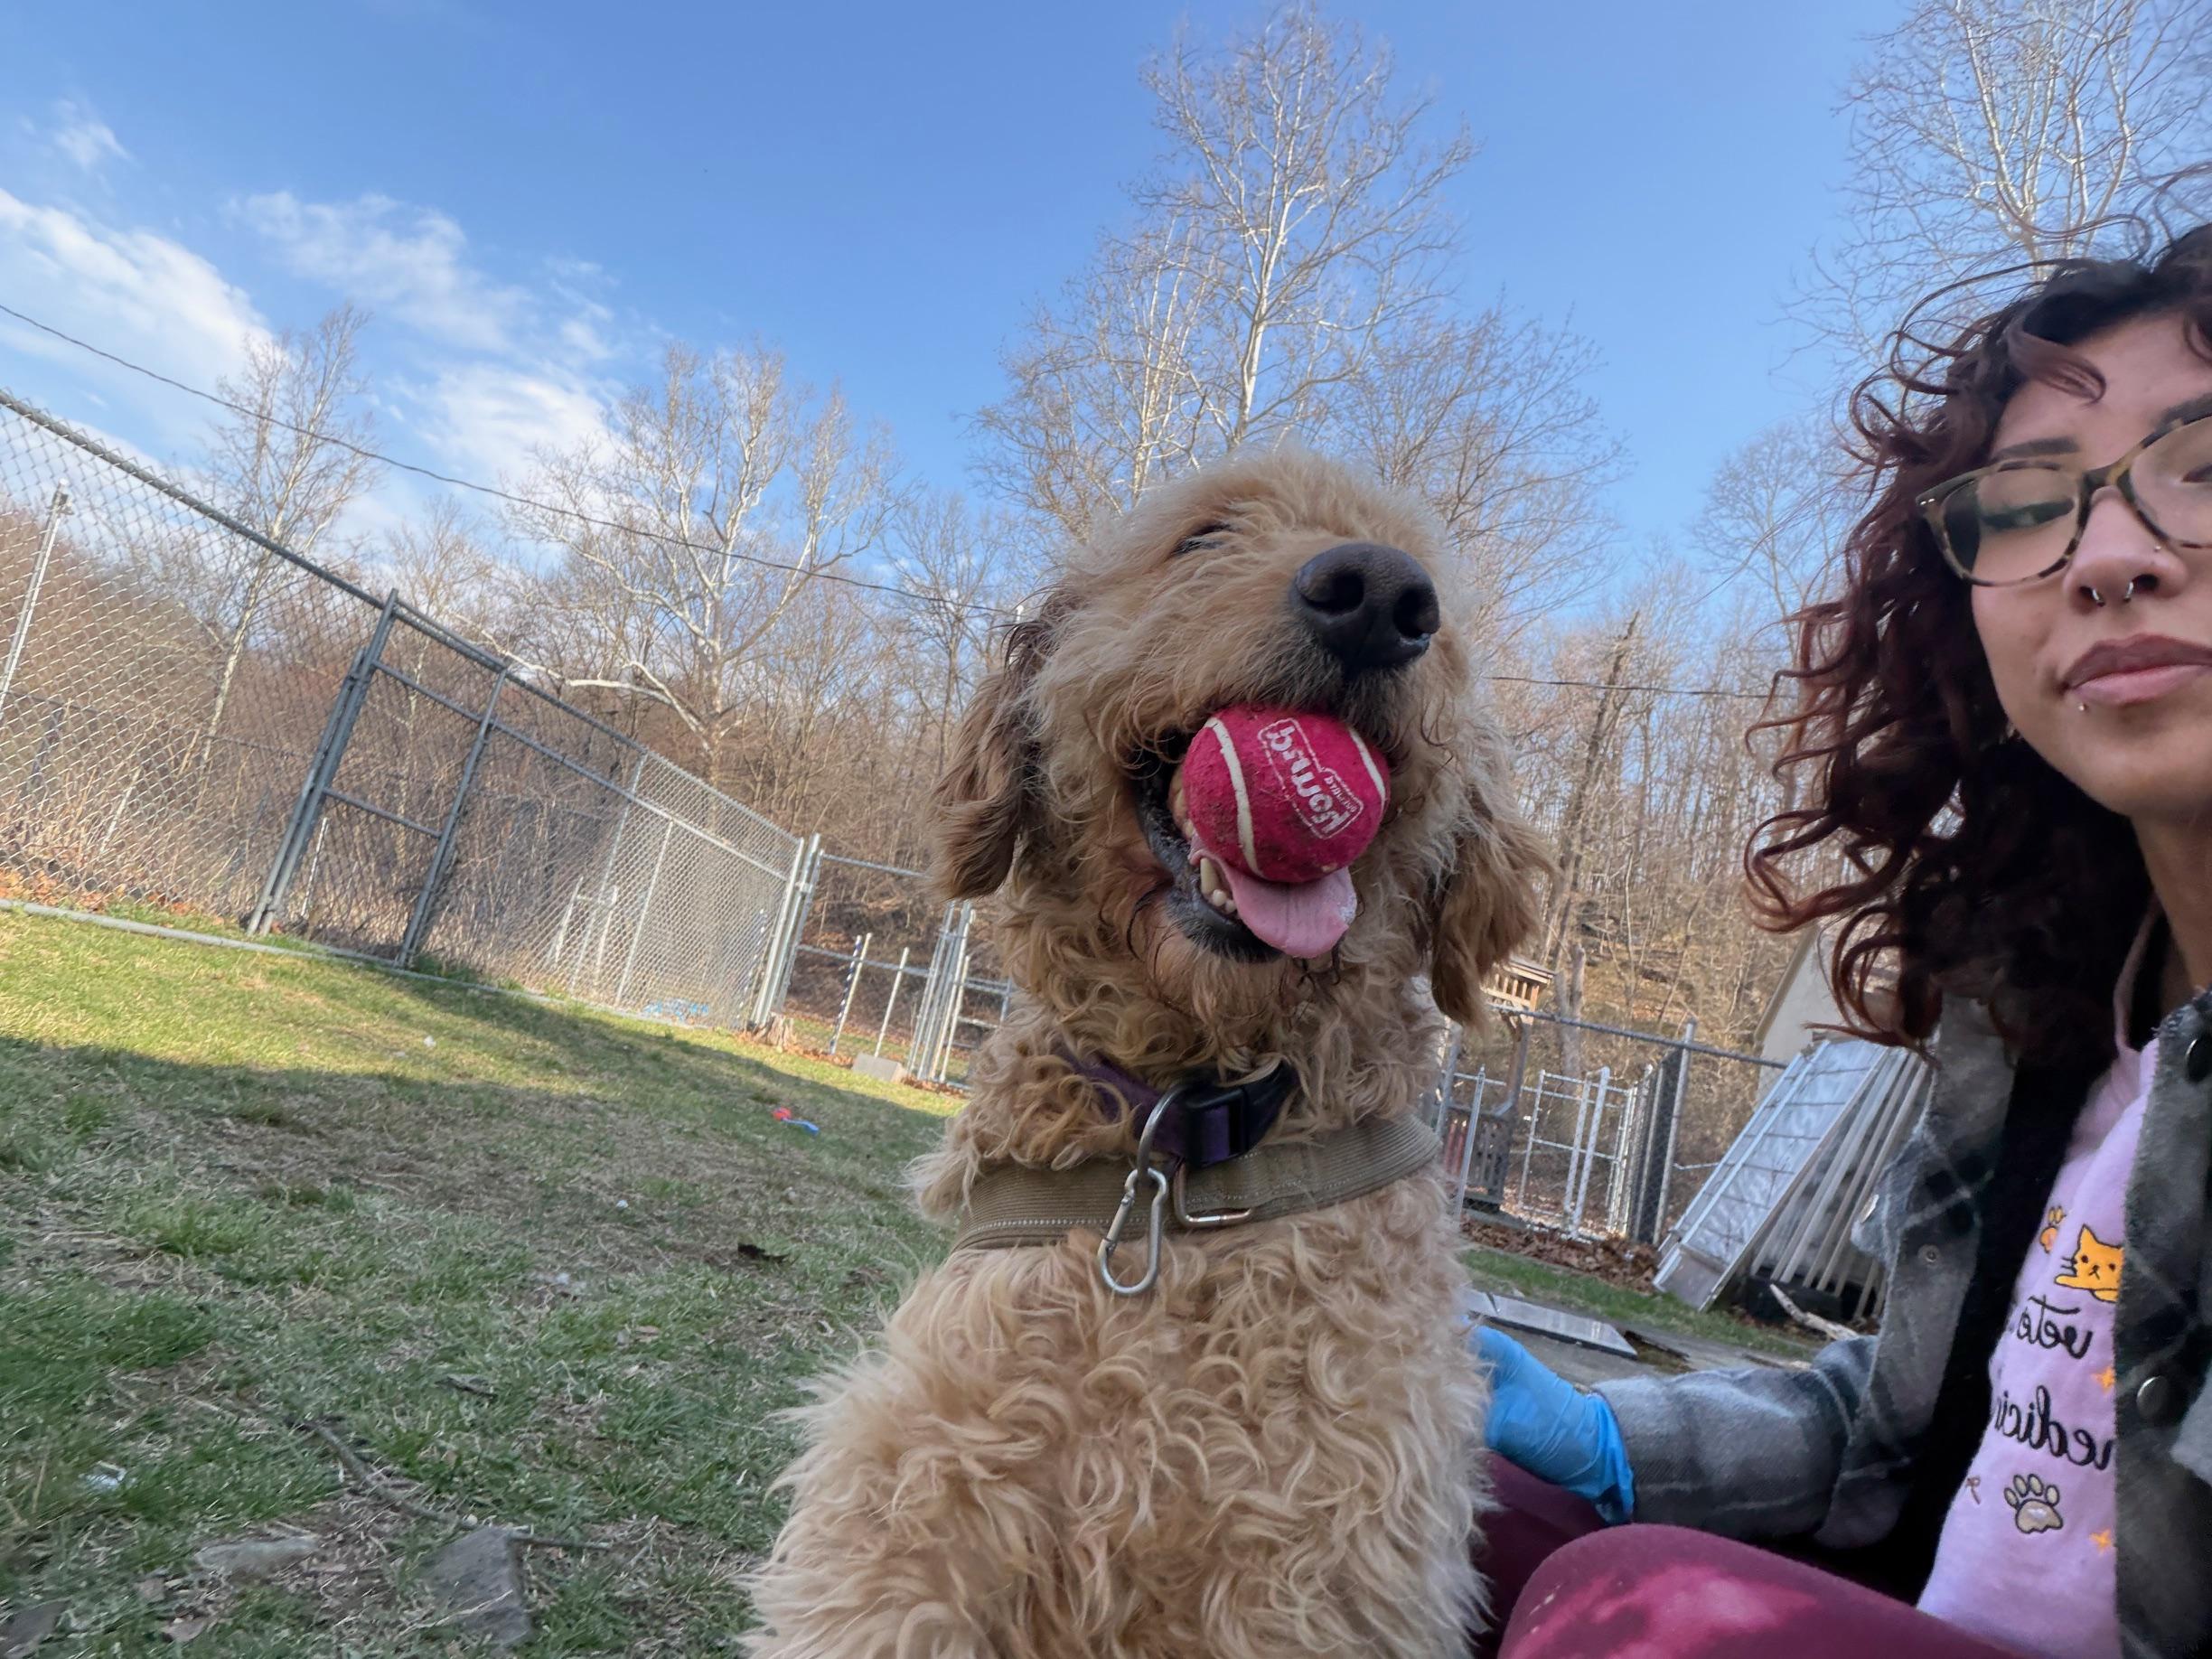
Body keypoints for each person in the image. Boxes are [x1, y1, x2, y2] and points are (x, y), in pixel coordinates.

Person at [1468, 222, 2212, 1659]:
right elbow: (1917, 1421)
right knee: (1417, 1487)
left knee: (1646, 1622)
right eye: (2026, 504)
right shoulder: (2045, 1015)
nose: (2106, 555)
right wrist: (1612, 1439)